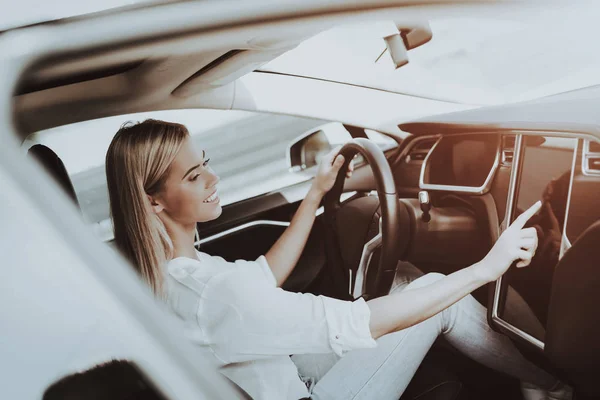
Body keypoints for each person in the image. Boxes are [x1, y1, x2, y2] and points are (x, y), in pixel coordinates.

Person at [105, 119, 571, 400]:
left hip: (284, 373)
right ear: (153, 202)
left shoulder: (177, 274)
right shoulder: (212, 291)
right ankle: (555, 387)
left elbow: (263, 276)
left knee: (407, 277)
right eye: (193, 175)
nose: (213, 177)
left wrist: (316, 195)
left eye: (205, 161)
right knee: (436, 294)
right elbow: (362, 323)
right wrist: (486, 268)